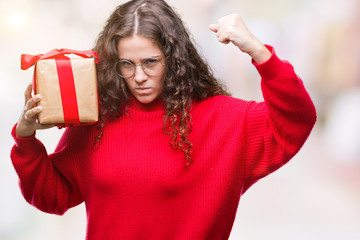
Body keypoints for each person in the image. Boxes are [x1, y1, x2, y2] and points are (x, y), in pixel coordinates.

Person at [10, 0, 317, 239]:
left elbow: (296, 121)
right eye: (127, 64)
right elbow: (51, 196)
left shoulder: (225, 119)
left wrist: (259, 52)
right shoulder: (98, 120)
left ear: (174, 59)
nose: (139, 76)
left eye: (151, 62)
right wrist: (26, 139)